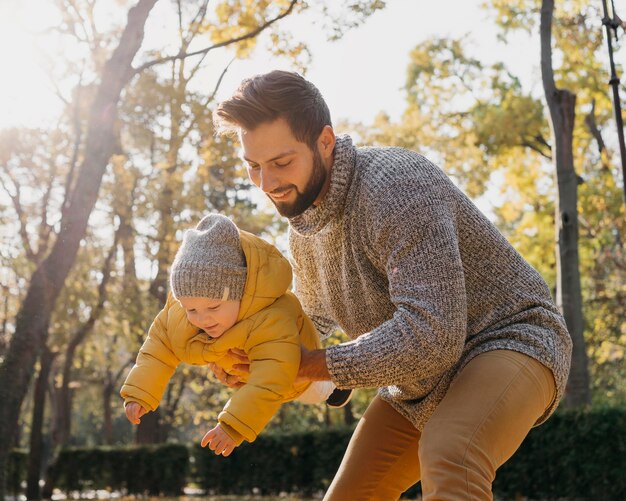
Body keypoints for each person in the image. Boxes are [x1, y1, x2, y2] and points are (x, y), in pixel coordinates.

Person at [211, 70, 573, 499]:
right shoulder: (305, 229)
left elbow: (433, 334)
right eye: (254, 166)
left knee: (451, 454)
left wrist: (309, 364)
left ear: (324, 141)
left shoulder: (394, 185)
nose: (267, 184)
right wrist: (257, 359)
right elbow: (309, 324)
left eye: (282, 162)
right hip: (418, 381)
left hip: (510, 339)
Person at [120, 213, 349, 457]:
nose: (202, 318)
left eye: (214, 307)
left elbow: (273, 377)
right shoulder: (180, 315)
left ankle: (338, 384)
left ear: (241, 293)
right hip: (244, 374)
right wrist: (139, 392)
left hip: (295, 372)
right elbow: (157, 349)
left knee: (312, 392)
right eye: (191, 309)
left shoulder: (271, 316)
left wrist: (233, 425)